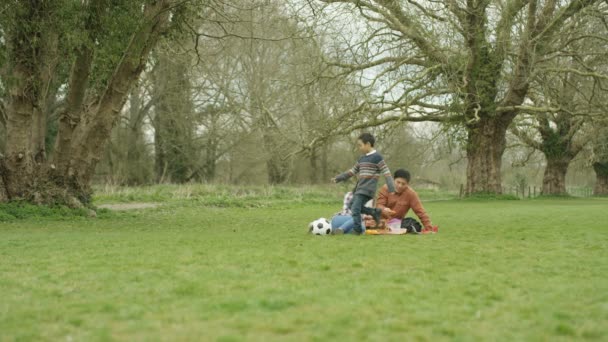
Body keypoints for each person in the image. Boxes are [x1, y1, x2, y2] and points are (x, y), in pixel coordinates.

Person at [331, 133, 395, 235]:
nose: (359, 148)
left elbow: (386, 173)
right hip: (359, 189)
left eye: (360, 145)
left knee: (355, 209)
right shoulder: (362, 159)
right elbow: (352, 171)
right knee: (351, 206)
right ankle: (375, 212)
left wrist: (392, 189)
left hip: (367, 189)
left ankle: (357, 230)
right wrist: (339, 178)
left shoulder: (377, 157)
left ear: (368, 144)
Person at [375, 168, 437, 234]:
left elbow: (420, 211)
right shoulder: (385, 188)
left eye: (403, 184)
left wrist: (429, 228)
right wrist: (384, 209)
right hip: (381, 221)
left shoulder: (411, 194)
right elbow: (379, 206)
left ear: (407, 184)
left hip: (397, 223)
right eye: (398, 182)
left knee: (412, 223)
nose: (400, 186)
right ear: (393, 180)